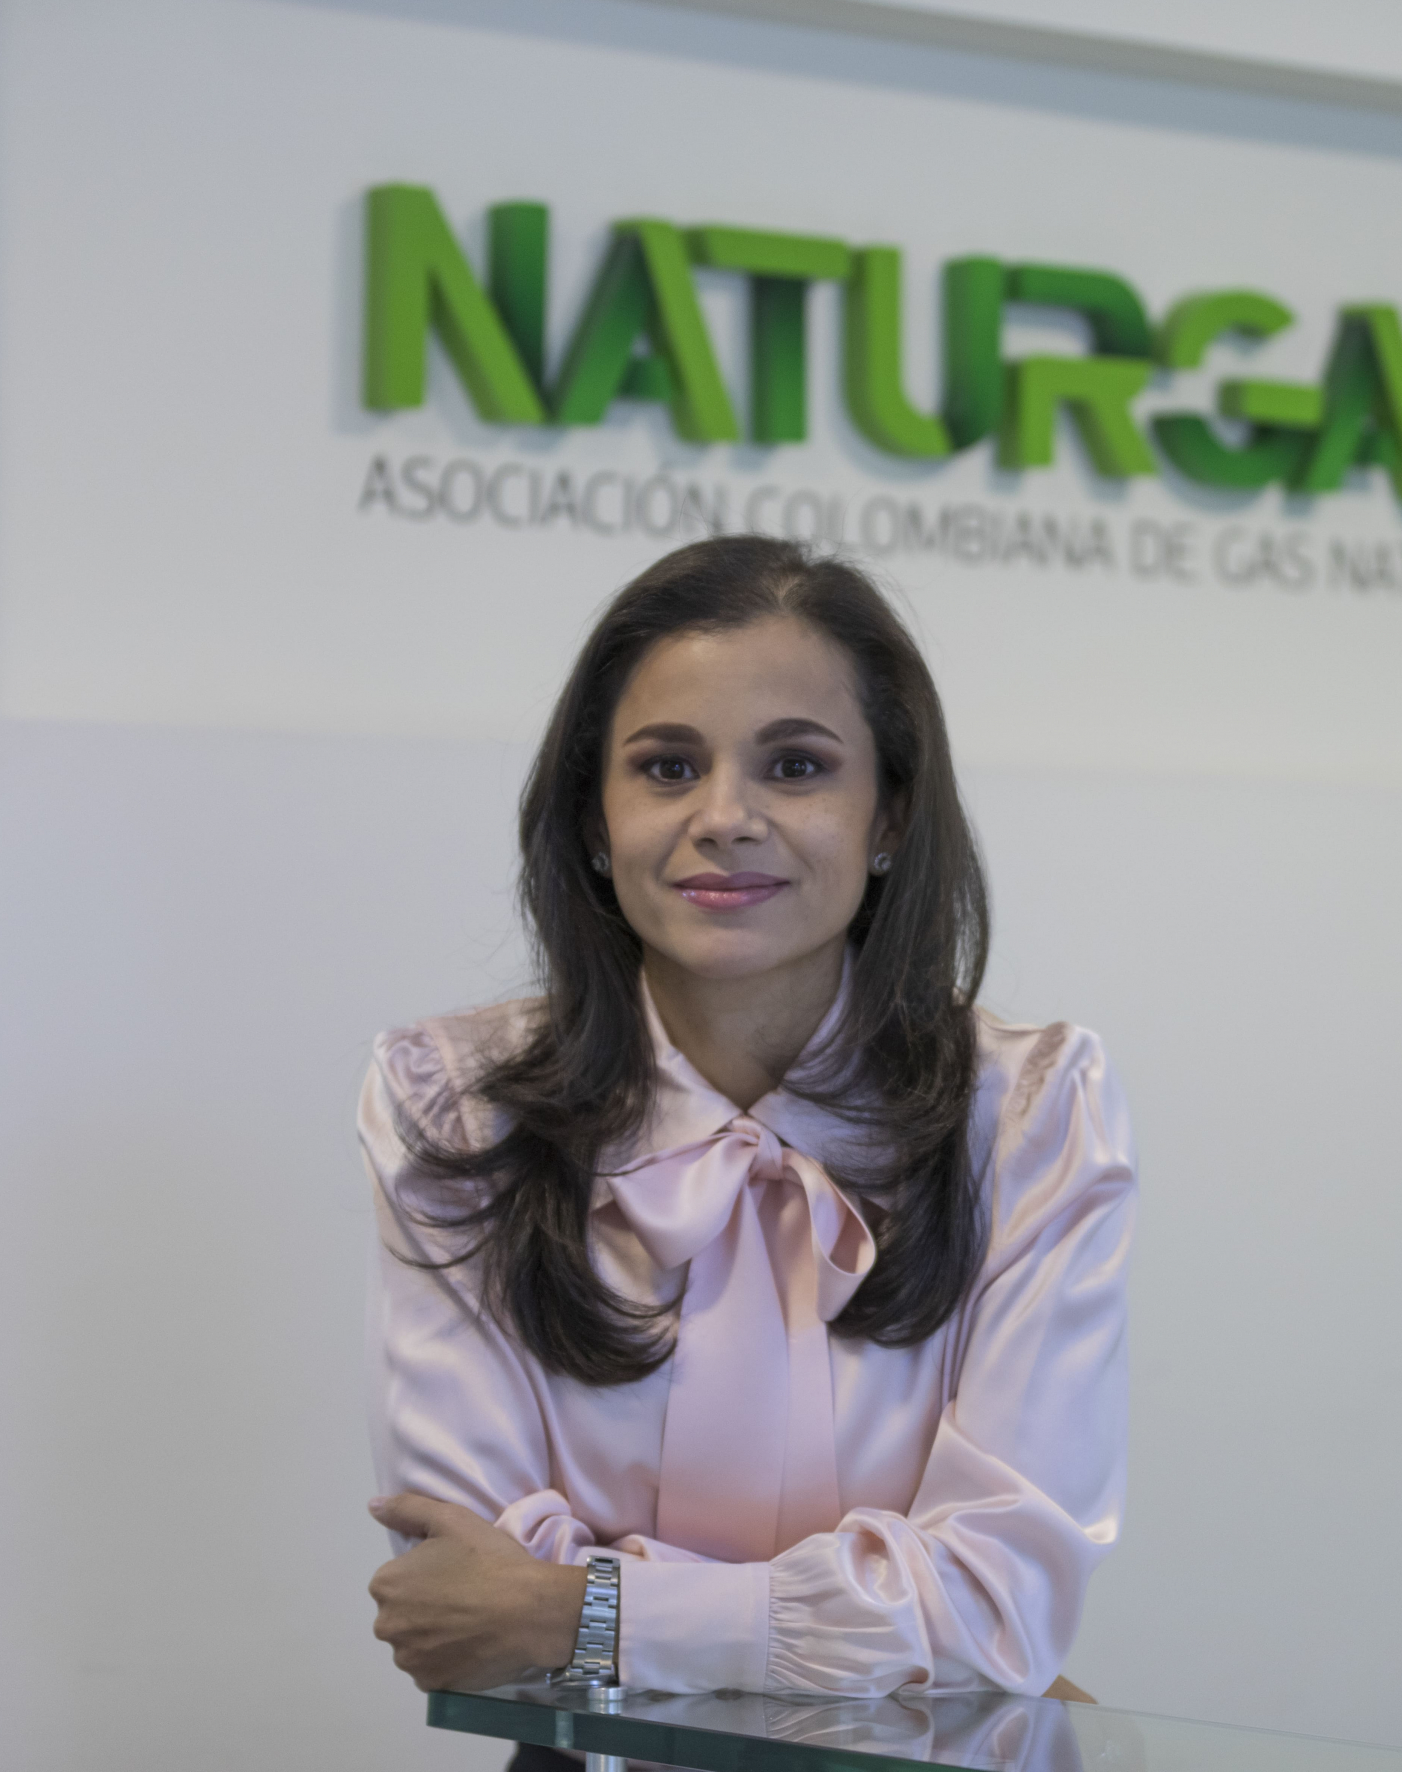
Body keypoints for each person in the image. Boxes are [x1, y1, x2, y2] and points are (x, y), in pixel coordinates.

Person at [359, 535, 1134, 1709]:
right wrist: (885, 1625)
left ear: (890, 815)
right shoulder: (452, 1104)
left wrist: (579, 1610)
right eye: (667, 767)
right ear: (592, 816)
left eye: (796, 765)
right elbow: (470, 1598)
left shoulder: (1032, 1112)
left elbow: (996, 1602)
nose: (724, 816)